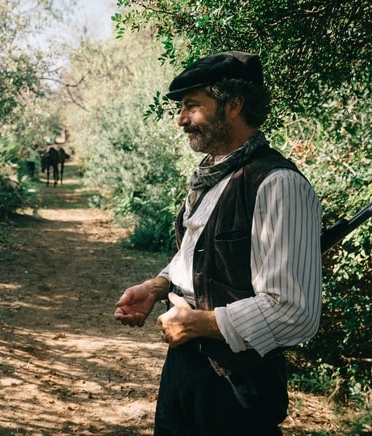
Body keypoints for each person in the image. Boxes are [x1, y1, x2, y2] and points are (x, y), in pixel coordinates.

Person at [113, 51, 322, 435]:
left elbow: (296, 313)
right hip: (182, 369)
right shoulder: (213, 176)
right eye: (181, 108)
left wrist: (202, 323)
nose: (181, 119)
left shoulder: (278, 185)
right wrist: (157, 287)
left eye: (192, 106)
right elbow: (197, 252)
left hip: (239, 387)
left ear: (234, 105)